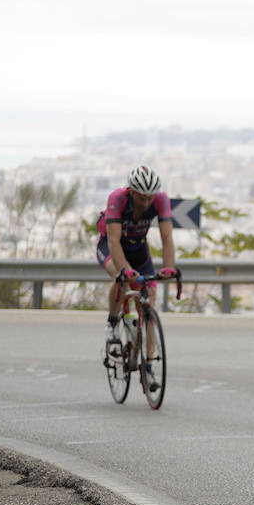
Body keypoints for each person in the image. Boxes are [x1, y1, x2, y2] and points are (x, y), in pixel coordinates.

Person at [97, 165, 177, 389]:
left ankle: (148, 366)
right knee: (121, 279)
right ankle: (113, 323)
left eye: (150, 197)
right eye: (142, 197)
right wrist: (127, 272)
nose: (146, 202)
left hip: (138, 249)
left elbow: (167, 238)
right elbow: (113, 241)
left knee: (149, 299)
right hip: (113, 247)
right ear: (132, 192)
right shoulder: (118, 199)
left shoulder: (160, 200)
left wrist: (169, 267)